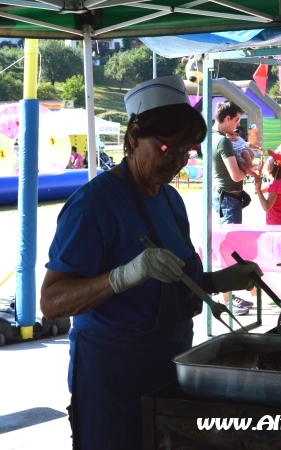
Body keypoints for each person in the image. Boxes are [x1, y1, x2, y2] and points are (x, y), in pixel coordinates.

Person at [39, 74, 262, 450]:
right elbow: (51, 302)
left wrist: (221, 281)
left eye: (186, 151)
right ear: (132, 137)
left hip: (171, 364)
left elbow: (175, 284)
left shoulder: (171, 201)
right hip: (112, 375)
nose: (176, 161)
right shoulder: (93, 206)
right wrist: (122, 277)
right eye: (165, 149)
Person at [212, 101, 249, 226]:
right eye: (236, 120)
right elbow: (236, 176)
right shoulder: (223, 141)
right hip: (229, 198)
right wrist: (248, 170)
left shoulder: (209, 136)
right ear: (227, 118)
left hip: (220, 194)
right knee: (231, 242)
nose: (238, 124)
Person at [254, 150, 281, 225]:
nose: (268, 162)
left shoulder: (275, 185)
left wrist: (258, 189)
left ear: (276, 164)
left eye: (270, 160)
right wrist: (259, 171)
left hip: (276, 226)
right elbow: (255, 191)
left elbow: (266, 207)